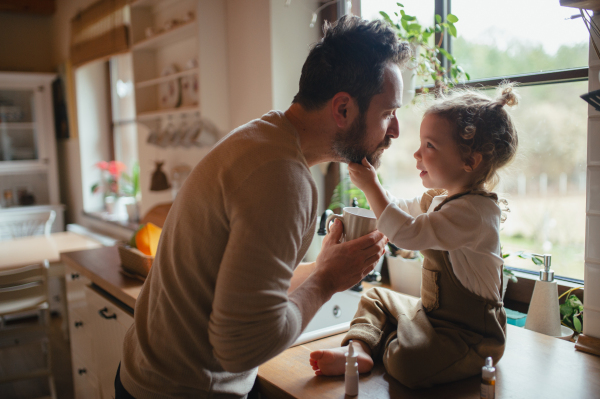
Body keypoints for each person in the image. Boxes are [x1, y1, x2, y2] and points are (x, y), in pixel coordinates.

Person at [116, 15, 411, 398]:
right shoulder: (282, 180)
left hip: (149, 375)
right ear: (342, 109)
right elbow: (241, 346)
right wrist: (326, 281)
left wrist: (323, 268)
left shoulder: (264, 138)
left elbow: (247, 290)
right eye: (388, 112)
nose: (395, 130)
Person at [309, 84, 519, 388]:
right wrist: (371, 180)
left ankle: (378, 343)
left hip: (470, 338)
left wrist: (371, 186)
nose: (417, 153)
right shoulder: (442, 199)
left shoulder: (474, 213)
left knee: (407, 365)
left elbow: (408, 233)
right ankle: (359, 350)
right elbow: (396, 210)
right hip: (431, 318)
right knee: (375, 296)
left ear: (470, 161)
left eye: (430, 145)